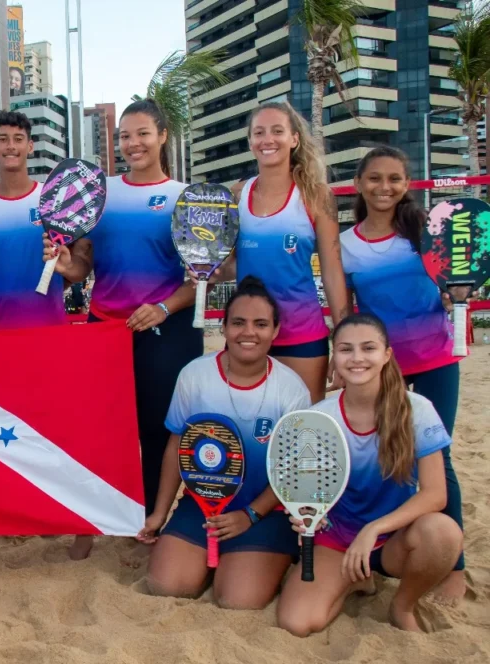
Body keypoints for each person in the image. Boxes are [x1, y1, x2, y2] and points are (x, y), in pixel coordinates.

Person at [44, 99, 200, 559]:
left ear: (163, 135)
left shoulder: (183, 196)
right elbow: (82, 265)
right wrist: (69, 265)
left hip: (165, 331)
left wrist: (164, 308)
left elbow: (205, 278)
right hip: (103, 330)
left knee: (158, 431)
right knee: (96, 430)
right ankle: (89, 522)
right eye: (125, 136)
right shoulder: (99, 194)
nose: (133, 144)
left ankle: (150, 520)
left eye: (142, 134)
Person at [276, 314, 462, 635]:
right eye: (346, 349)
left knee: (444, 533)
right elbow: (306, 492)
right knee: (297, 623)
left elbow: (435, 494)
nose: (357, 358)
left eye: (368, 348)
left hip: (394, 540)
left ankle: (402, 605)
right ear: (335, 357)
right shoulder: (317, 418)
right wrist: (306, 514)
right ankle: (355, 579)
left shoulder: (416, 409)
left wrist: (374, 530)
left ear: (387, 355)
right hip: (336, 540)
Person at [339, 146, 467, 600]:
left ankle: (455, 566)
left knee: (437, 458)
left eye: (395, 178)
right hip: (382, 369)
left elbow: (457, 276)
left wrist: (456, 294)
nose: (384, 187)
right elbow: (346, 310)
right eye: (374, 178)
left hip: (435, 359)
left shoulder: (426, 231)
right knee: (381, 459)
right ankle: (372, 552)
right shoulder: (346, 244)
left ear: (406, 183)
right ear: (358, 184)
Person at [136, 277, 311, 608]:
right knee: (166, 586)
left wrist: (251, 515)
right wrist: (159, 514)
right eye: (239, 323)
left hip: (264, 512)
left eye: (261, 324)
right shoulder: (195, 375)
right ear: (225, 327)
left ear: (275, 331)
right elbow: (178, 446)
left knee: (237, 601)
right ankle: (210, 558)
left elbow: (292, 472)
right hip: (202, 504)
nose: (249, 333)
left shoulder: (291, 389)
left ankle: (261, 559)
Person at [211, 102, 350, 402]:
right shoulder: (237, 194)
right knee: (249, 426)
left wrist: (344, 339)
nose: (267, 140)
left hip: (302, 333)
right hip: (248, 333)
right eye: (259, 132)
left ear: (295, 138)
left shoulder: (317, 195)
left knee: (304, 429)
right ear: (250, 142)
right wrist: (205, 271)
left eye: (277, 131)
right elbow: (233, 265)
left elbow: (333, 272)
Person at [0, 110, 66, 332]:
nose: (11, 146)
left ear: (30, 146)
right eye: (3, 139)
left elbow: (70, 264)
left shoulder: (51, 200)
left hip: (50, 325)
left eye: (18, 139)